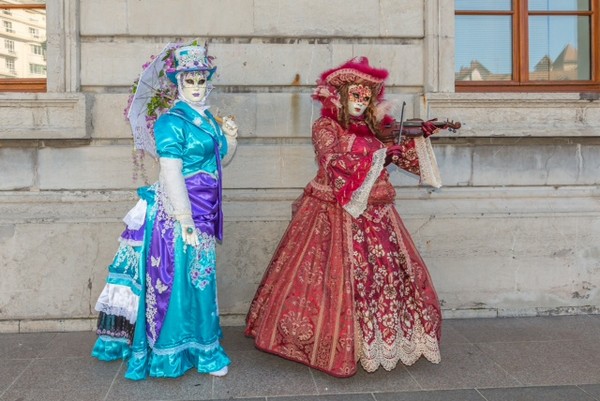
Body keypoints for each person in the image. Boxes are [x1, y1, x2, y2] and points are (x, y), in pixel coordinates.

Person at [245, 57, 442, 378]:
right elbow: (332, 161)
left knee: (381, 276)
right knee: (330, 276)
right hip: (332, 212)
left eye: (366, 98)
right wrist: (380, 156)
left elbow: (397, 157)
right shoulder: (326, 127)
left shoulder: (376, 129)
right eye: (355, 96)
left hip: (377, 215)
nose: (360, 102)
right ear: (341, 97)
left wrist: (418, 140)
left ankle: (379, 340)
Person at [91, 44, 238, 380]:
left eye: (201, 80)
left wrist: (229, 138)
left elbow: (219, 162)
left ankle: (202, 347)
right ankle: (179, 351)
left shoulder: (207, 118)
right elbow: (171, 171)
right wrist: (184, 219)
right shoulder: (170, 122)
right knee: (182, 284)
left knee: (200, 281)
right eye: (190, 82)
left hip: (207, 210)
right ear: (179, 84)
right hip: (179, 213)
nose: (197, 87)